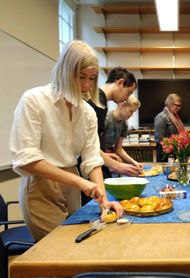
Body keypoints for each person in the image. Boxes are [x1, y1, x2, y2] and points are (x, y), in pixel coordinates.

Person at [9, 40, 123, 242]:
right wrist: (80, 182)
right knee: (60, 249)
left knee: (77, 245)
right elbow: (26, 159)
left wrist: (103, 199)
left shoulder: (87, 111)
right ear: (64, 71)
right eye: (80, 77)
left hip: (72, 185)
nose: (87, 85)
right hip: (40, 187)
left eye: (92, 78)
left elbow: (91, 158)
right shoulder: (34, 100)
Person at [87, 67, 142, 178]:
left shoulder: (100, 101)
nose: (127, 98)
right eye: (128, 92)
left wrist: (105, 156)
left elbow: (93, 144)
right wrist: (118, 166)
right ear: (120, 82)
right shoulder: (98, 104)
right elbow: (89, 146)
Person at [102, 95, 143, 169]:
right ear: (121, 105)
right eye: (131, 111)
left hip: (107, 155)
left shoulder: (124, 123)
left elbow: (119, 149)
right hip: (98, 156)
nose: (132, 115)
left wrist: (134, 162)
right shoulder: (106, 119)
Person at [154, 93, 185, 162]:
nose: (178, 107)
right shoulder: (161, 117)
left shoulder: (176, 117)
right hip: (165, 153)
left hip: (175, 151)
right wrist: (171, 144)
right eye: (176, 105)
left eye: (179, 105)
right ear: (169, 103)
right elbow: (158, 138)